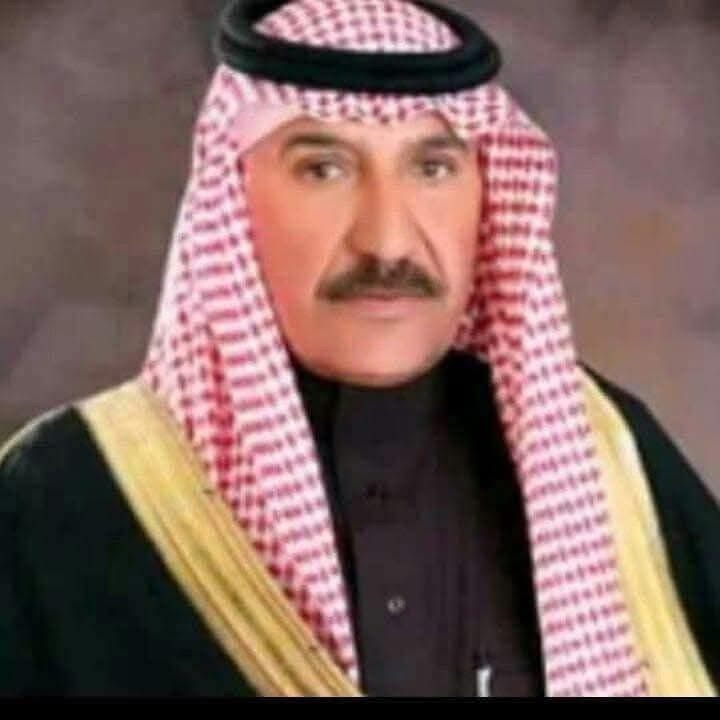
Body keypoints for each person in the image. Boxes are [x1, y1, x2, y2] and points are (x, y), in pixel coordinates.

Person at [0, 0, 717, 698]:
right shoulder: (65, 496)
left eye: (432, 168)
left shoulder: (609, 453)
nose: (387, 242)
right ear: (235, 193)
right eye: (324, 169)